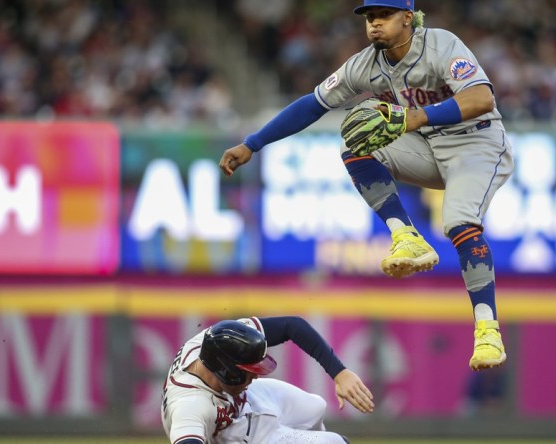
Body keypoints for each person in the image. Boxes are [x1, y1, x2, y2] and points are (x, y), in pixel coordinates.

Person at [219, 0, 514, 370]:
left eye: (384, 15)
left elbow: (481, 97)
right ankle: (405, 236)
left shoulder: (440, 44)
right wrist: (252, 143)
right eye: (370, 17)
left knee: (457, 222)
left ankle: (488, 330)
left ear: (408, 18)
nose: (375, 24)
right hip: (427, 146)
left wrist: (416, 116)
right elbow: (313, 104)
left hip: (478, 144)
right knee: (354, 142)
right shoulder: (366, 64)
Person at [161, 316, 374, 443]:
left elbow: (293, 325)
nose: (255, 375)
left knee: (316, 407)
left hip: (249, 398)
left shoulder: (214, 340)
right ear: (226, 370)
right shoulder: (190, 406)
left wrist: (339, 372)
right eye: (248, 370)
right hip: (241, 434)